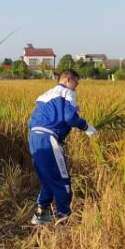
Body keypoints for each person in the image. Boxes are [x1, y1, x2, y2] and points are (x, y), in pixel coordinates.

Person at [28, 69, 97, 225]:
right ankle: (63, 222)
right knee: (62, 180)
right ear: (68, 79)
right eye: (76, 83)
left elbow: (31, 121)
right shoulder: (67, 93)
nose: (76, 87)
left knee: (48, 177)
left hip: (34, 137)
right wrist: (86, 127)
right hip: (48, 138)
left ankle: (41, 215)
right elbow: (70, 117)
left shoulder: (44, 95)